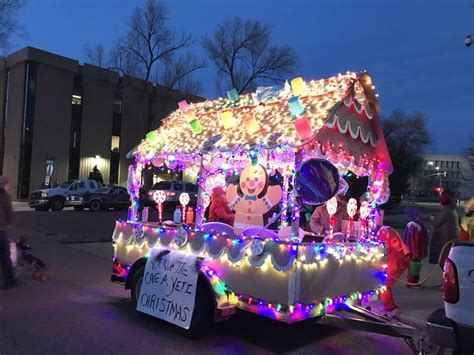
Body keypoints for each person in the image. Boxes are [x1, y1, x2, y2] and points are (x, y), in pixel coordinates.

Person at [375, 209, 410, 317]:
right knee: (384, 284)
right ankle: (389, 307)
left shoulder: (383, 232)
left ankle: (391, 309)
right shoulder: (386, 229)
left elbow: (385, 250)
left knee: (383, 285)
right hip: (399, 260)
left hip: (396, 262)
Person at [430, 191, 459, 267]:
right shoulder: (451, 209)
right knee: (447, 259)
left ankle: (446, 277)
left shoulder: (446, 211)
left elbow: (436, 222)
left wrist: (432, 217)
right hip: (450, 237)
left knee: (444, 259)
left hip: (445, 239)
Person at [0, 176, 19, 289]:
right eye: (8, 185)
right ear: (5, 184)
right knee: (5, 255)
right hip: (0, 230)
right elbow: (10, 214)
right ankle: (10, 281)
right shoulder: (5, 196)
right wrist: (8, 223)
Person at [403, 207, 428, 286]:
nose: (420, 217)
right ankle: (411, 282)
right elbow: (414, 241)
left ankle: (415, 281)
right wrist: (415, 252)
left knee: (415, 266)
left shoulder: (415, 225)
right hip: (414, 251)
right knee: (413, 266)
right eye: (417, 215)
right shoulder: (414, 226)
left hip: (415, 250)